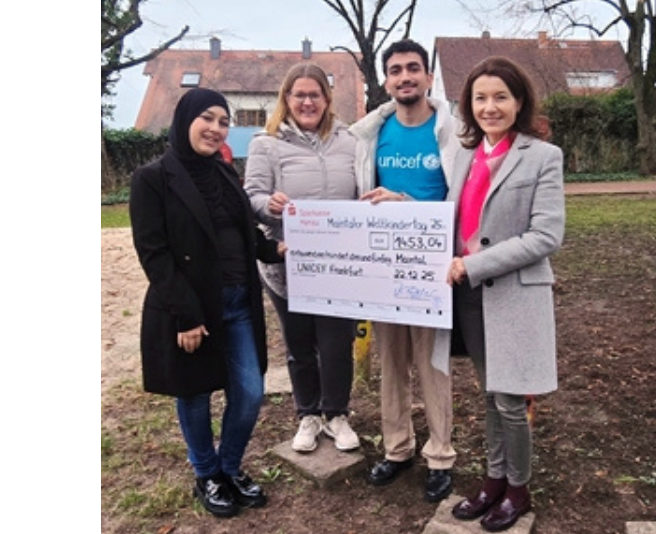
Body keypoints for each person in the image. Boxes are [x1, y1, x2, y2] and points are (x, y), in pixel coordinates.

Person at [129, 88, 286, 518]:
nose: (216, 129)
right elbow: (155, 255)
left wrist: (275, 250)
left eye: (224, 121)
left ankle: (229, 468)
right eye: (208, 118)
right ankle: (207, 474)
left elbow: (245, 233)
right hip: (192, 308)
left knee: (250, 393)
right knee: (195, 393)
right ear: (186, 119)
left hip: (238, 302)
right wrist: (186, 315)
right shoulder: (151, 179)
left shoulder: (225, 173)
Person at [441, 56, 565, 532]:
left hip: (514, 295)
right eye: (480, 98)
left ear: (519, 102)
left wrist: (472, 265)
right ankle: (493, 481)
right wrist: (404, 205)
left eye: (500, 97)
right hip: (471, 297)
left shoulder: (542, 156)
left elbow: (545, 236)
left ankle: (518, 489)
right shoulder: (466, 155)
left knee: (512, 401)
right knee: (491, 395)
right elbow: (453, 219)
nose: (489, 107)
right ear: (468, 105)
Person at [350, 38, 461, 503]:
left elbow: (461, 199)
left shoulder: (452, 131)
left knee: (433, 368)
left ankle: (441, 457)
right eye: (395, 70)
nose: (405, 77)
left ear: (428, 77)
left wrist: (407, 202)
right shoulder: (371, 134)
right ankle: (397, 449)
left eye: (413, 68)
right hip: (384, 269)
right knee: (391, 365)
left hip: (433, 269)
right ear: (386, 81)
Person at [244, 63, 361, 454]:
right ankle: (308, 414)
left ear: (327, 99)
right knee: (300, 343)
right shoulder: (266, 143)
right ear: (287, 99)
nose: (307, 102)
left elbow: (362, 191)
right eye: (300, 95)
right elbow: (251, 196)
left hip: (339, 263)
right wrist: (269, 205)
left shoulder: (350, 141)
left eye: (315, 94)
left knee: (337, 343)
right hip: (286, 263)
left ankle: (337, 413)